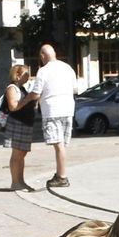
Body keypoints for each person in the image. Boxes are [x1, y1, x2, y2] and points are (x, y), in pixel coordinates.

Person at [31, 43, 77, 188]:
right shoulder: (67, 68)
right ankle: (60, 174)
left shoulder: (43, 71)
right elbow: (75, 89)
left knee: (58, 145)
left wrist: (23, 102)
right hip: (68, 109)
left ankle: (62, 177)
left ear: (43, 56)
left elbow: (36, 93)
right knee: (62, 144)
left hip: (52, 111)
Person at [2, 64, 38, 191]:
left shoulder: (22, 88)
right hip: (17, 123)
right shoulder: (12, 88)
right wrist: (28, 99)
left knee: (22, 153)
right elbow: (13, 106)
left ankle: (21, 181)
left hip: (25, 123)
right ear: (17, 75)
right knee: (17, 153)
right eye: (25, 74)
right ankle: (15, 182)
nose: (28, 76)